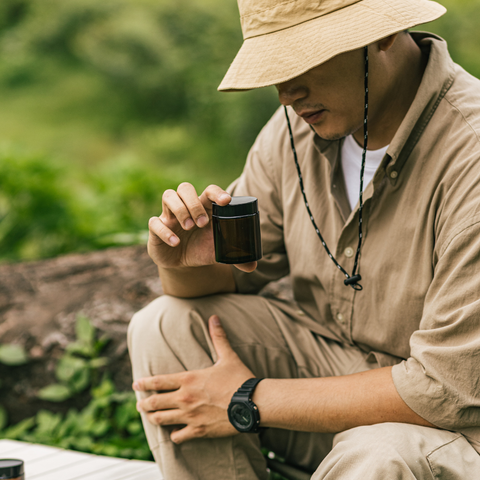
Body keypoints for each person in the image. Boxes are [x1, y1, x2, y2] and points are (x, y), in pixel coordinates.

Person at [127, 0, 480, 478]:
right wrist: (180, 262)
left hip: (456, 429)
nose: (285, 94)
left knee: (378, 453)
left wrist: (247, 398)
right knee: (164, 324)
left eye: (301, 61)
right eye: (275, 66)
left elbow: (448, 392)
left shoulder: (470, 155)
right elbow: (221, 285)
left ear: (381, 35)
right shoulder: (294, 131)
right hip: (339, 379)